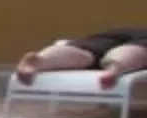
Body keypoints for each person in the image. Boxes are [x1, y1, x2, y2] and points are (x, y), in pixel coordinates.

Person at [17, 30, 147, 85]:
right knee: (138, 50)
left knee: (85, 53)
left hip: (107, 35)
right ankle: (115, 68)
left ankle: (40, 60)